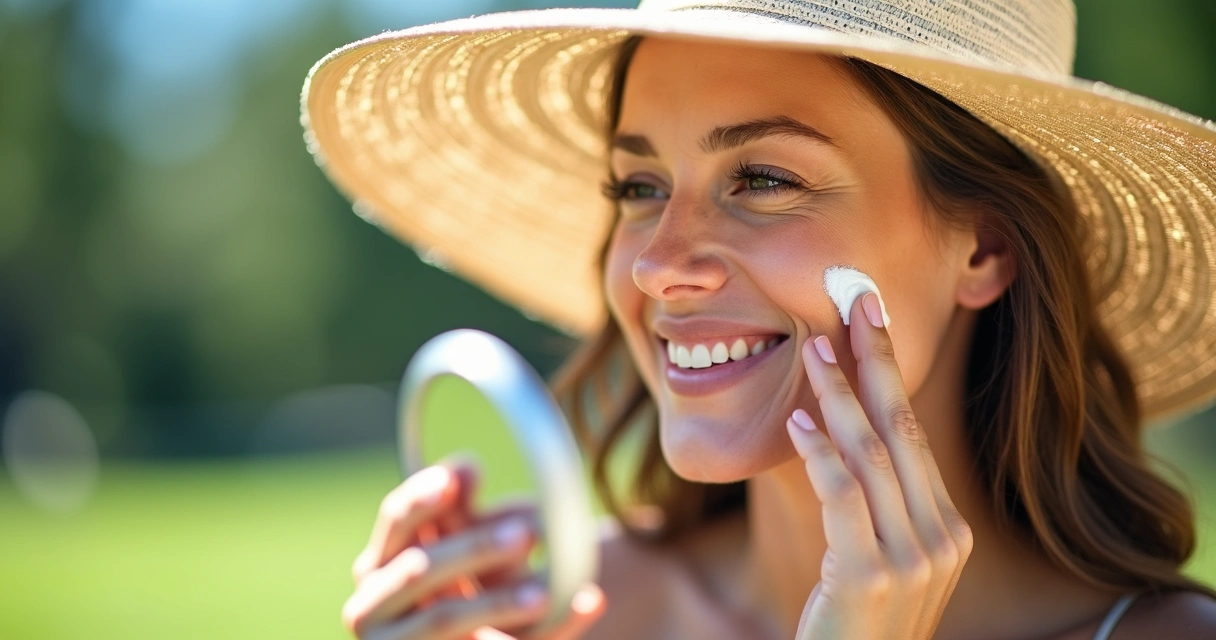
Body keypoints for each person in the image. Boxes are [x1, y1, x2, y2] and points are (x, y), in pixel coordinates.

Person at [301, 1, 1216, 638]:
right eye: (638, 187)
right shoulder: (560, 615)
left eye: (765, 181)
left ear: (984, 250)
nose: (661, 264)